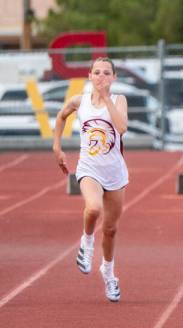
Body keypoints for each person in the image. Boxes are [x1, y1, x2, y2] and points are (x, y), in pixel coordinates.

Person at [52, 57, 128, 302]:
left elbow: (122, 127)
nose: (102, 77)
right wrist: (57, 147)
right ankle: (86, 242)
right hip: (88, 168)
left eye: (107, 73)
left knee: (111, 229)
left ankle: (108, 273)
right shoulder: (79, 101)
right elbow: (61, 116)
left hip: (115, 172)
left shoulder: (118, 100)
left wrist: (106, 98)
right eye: (97, 72)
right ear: (90, 76)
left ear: (114, 78)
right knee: (93, 208)